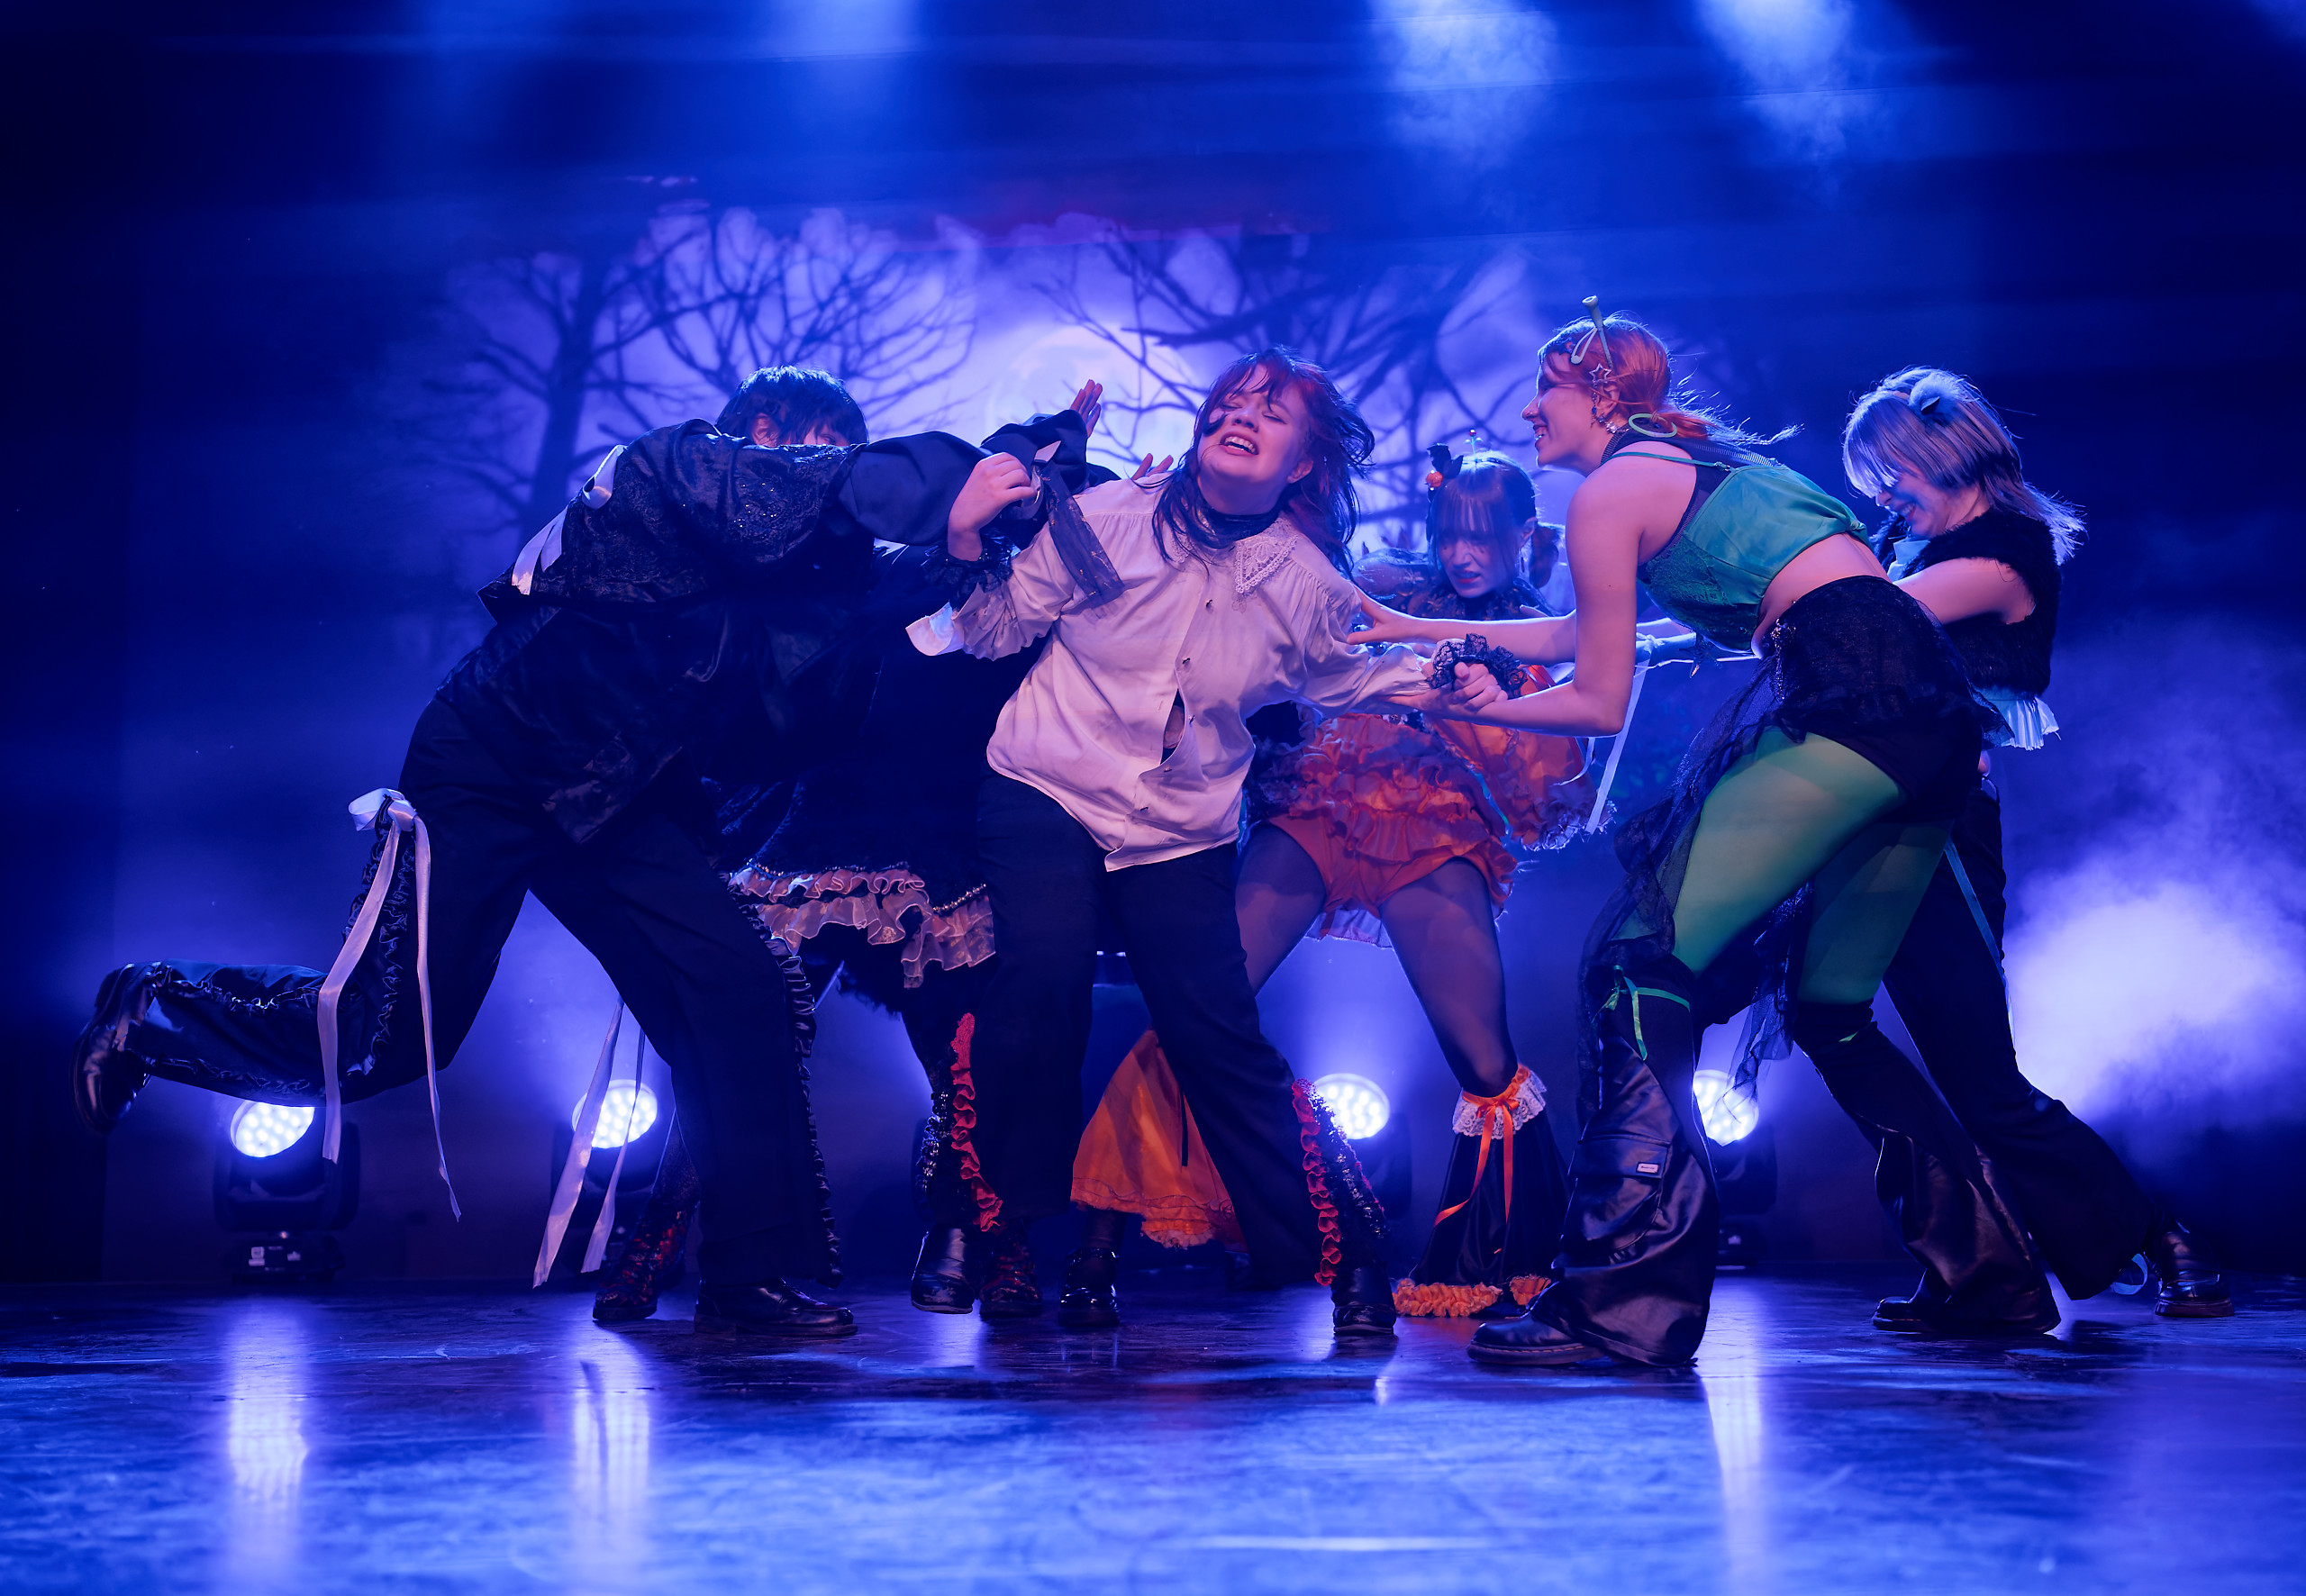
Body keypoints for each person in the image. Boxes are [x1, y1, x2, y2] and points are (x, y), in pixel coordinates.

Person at [70, 368, 1029, 1340]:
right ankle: (156, 1007)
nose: (828, 476)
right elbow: (809, 503)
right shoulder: (677, 467)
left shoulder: (797, 577)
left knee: (741, 990)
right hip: (496, 757)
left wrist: (1012, 488)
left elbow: (879, 612)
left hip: (621, 794)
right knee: (391, 1036)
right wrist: (945, 479)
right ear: (761, 432)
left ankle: (748, 1274)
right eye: (818, 451)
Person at [1357, 304, 2056, 1366]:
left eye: (1544, 389)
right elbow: (1592, 630)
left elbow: (1597, 699)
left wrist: (1475, 704)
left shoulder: (1609, 490)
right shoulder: (1698, 467)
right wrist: (1421, 628)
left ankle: (1623, 1302)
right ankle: (1989, 1275)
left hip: (1854, 704)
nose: (1528, 410)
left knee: (1635, 963)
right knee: (1830, 1008)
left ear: (1602, 395)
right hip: (1926, 719)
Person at [908, 347, 1435, 1338]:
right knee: (1040, 981)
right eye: (1229, 402)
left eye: (1269, 413)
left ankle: (1350, 1255)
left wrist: (1473, 680)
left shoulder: (1306, 583)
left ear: (1303, 461)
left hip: (1177, 825)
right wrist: (965, 536)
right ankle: (973, 1221)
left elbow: (1359, 675)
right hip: (1045, 782)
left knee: (1213, 1034)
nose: (1239, 418)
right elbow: (995, 629)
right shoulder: (1108, 518)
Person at [590, 386, 1120, 1326]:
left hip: (933, 834)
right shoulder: (765, 562)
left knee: (965, 1055)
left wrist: (1062, 458)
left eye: (847, 444)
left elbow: (978, 563)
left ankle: (987, 1241)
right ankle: (657, 1237)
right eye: (816, 441)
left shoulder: (930, 562)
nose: (832, 459)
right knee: (741, 1036)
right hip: (813, 827)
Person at [1067, 449, 1590, 1323]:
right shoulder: (1382, 586)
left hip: (1432, 830)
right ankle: (1096, 1246)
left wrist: (1481, 707)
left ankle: (1505, 1259)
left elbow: (1542, 796)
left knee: (1485, 1057)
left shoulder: (1532, 637)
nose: (1463, 555)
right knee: (1198, 1008)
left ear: (1522, 536)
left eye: (1484, 537)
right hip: (1320, 802)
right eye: (1450, 534)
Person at [1844, 368, 2229, 1321]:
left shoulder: (2003, 552)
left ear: (1940, 452)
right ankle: (1976, 1265)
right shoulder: (1905, 546)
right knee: (1844, 1031)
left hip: (1937, 828)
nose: (1884, 496)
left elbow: (1861, 618)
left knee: (1983, 1081)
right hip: (1862, 817)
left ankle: (2161, 1235)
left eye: (1891, 473)